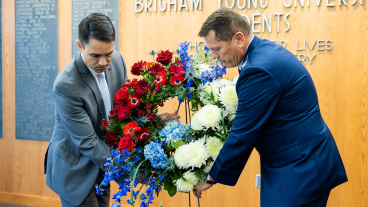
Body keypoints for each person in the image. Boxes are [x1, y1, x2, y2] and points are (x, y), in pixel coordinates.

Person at [193, 8, 347, 207]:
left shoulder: (258, 69)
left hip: (300, 169)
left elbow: (243, 133)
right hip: (299, 159)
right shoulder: (261, 53)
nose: (213, 55)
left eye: (217, 48)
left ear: (238, 39)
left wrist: (210, 177)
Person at [43, 13, 179, 207]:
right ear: (80, 46)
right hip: (76, 167)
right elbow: (87, 142)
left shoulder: (117, 61)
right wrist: (130, 171)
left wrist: (152, 121)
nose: (103, 62)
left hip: (105, 161)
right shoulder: (66, 85)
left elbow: (124, 112)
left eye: (108, 53)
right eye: (95, 55)